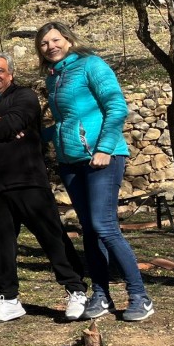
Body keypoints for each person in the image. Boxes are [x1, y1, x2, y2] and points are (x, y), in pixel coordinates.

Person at [0, 52, 88, 322]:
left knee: (51, 236)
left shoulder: (24, 96)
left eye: (0, 70)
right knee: (0, 244)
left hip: (25, 179)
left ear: (10, 74)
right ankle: (9, 298)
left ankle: (76, 290)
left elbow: (15, 121)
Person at [36, 21, 154, 322]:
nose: (50, 46)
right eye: (44, 43)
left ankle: (139, 295)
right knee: (89, 230)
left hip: (102, 157)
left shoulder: (92, 65)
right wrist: (37, 135)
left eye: (55, 40)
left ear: (68, 39)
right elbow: (67, 121)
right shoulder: (54, 77)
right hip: (71, 162)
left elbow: (116, 107)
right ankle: (101, 295)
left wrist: (103, 148)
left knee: (105, 226)